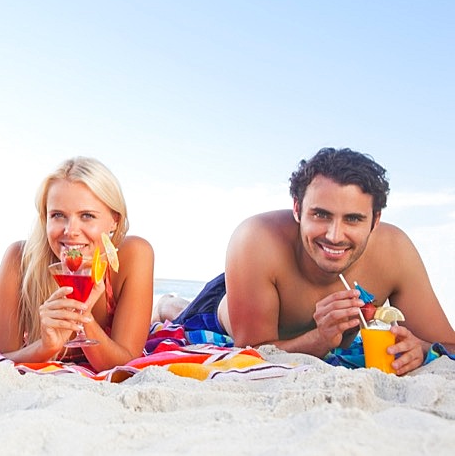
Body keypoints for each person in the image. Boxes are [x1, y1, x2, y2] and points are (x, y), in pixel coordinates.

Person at [170, 147, 455, 375]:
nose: (334, 235)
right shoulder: (255, 238)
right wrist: (319, 340)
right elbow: (253, 352)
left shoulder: (396, 252)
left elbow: (448, 344)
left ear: (375, 220)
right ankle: (168, 303)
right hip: (227, 300)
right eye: (321, 215)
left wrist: (419, 347)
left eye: (353, 219)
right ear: (297, 209)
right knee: (179, 312)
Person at [0, 157, 154, 371]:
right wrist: (46, 347)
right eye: (58, 215)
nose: (70, 231)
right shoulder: (19, 259)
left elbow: (125, 365)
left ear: (115, 220)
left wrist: (83, 318)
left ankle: (164, 306)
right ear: (45, 218)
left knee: (168, 312)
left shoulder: (133, 255)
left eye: (87, 216)